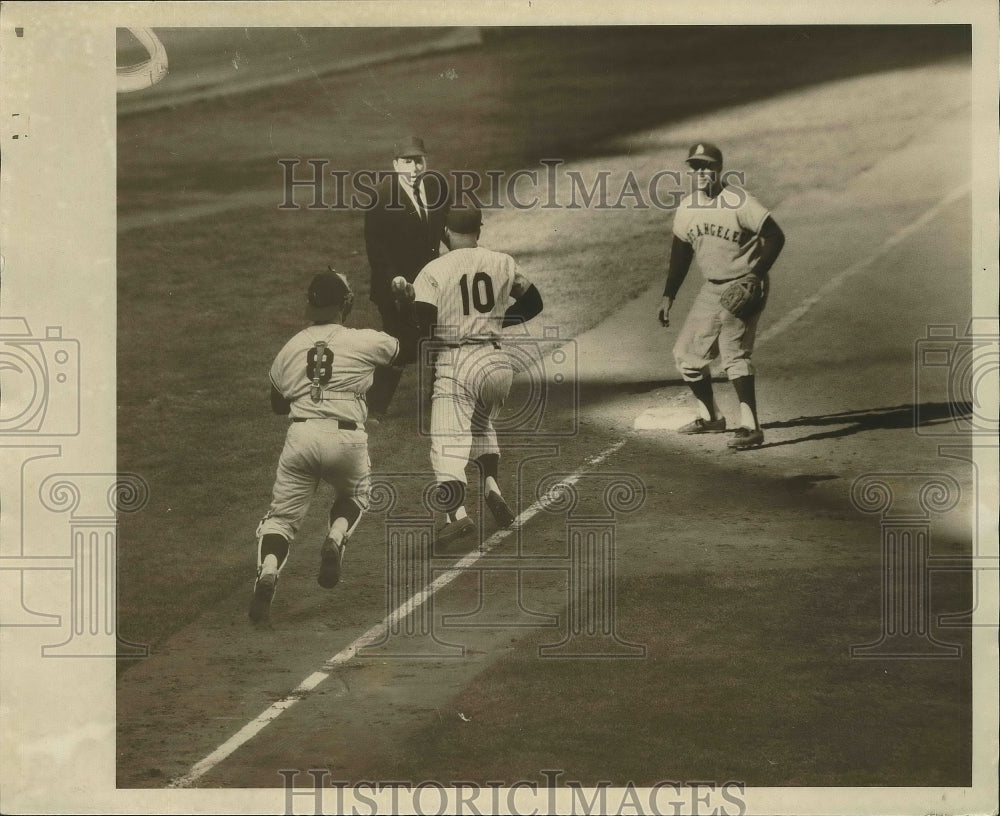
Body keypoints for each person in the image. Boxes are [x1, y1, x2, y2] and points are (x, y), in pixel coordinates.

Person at [249, 270, 416, 625]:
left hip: (301, 437)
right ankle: (336, 537)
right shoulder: (362, 340)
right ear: (345, 304)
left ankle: (268, 572)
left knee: (280, 519)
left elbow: (278, 404)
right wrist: (405, 310)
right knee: (355, 494)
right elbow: (407, 352)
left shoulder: (291, 347)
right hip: (347, 439)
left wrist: (309, 391)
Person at [393, 205, 544, 548]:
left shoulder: (433, 270)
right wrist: (493, 323)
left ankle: (456, 517)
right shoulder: (502, 261)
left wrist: (403, 305)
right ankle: (492, 487)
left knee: (446, 447)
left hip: (456, 364)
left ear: (445, 233)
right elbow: (534, 303)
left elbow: (425, 327)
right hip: (496, 364)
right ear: (480, 229)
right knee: (480, 425)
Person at [658, 142, 785, 450]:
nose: (702, 172)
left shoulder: (740, 201)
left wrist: (755, 275)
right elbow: (681, 252)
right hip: (711, 289)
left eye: (708, 166)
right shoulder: (688, 206)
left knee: (734, 355)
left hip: (744, 284)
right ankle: (711, 416)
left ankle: (751, 427)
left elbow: (775, 236)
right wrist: (668, 295)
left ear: (719, 168)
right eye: (696, 167)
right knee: (686, 357)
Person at [363, 136, 450, 423]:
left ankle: (440, 396)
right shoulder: (381, 197)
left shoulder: (437, 187)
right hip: (395, 288)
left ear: (426, 161)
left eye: (418, 160)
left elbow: (444, 228)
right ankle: (374, 408)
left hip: (431, 284)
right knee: (401, 346)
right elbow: (377, 250)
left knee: (441, 337)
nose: (413, 167)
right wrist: (396, 281)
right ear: (395, 164)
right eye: (406, 161)